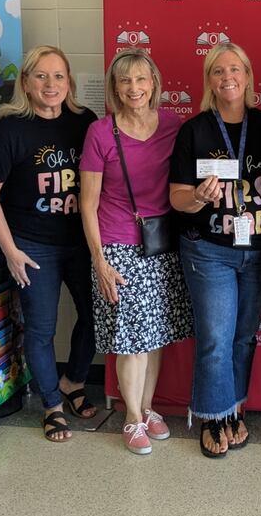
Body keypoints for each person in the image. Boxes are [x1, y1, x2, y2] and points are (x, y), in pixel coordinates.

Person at [0, 45, 97, 442]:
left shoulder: (85, 122)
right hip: (33, 246)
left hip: (82, 242)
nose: (50, 84)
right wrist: (11, 252)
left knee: (96, 315)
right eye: (41, 76)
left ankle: (73, 381)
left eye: (58, 76)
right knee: (42, 330)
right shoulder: (8, 129)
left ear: (69, 83)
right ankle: (51, 404)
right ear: (25, 83)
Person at [80, 49, 191, 456]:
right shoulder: (100, 133)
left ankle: (146, 408)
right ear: (114, 88)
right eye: (125, 81)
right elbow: (87, 203)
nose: (134, 88)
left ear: (153, 84)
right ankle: (130, 417)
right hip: (116, 245)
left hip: (162, 243)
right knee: (132, 337)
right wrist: (100, 261)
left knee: (155, 334)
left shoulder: (174, 126)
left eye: (141, 79)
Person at [170, 43, 261, 458]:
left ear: (247, 77)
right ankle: (214, 416)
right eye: (217, 71)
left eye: (235, 69)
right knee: (216, 338)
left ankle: (235, 408)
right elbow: (177, 197)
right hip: (208, 250)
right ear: (209, 81)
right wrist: (197, 197)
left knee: (244, 338)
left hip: (260, 250)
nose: (227, 77)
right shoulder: (194, 130)